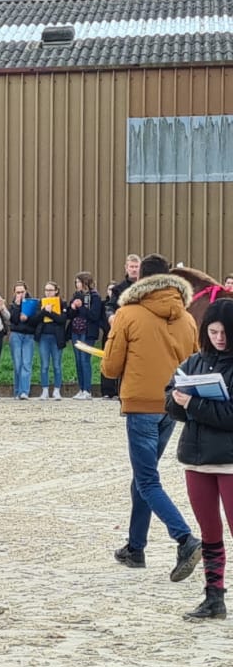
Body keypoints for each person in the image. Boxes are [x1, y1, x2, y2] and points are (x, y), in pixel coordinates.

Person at [103, 254, 203, 581]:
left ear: (139, 280)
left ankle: (184, 538)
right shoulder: (187, 319)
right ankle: (135, 547)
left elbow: (110, 368)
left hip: (141, 405)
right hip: (171, 406)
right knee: (143, 477)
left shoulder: (128, 314)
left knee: (147, 480)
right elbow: (195, 366)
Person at [166, 299, 233, 620]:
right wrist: (179, 401)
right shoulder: (193, 362)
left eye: (226, 332)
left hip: (230, 462)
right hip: (196, 460)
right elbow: (171, 400)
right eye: (214, 331)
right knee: (209, 533)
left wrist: (193, 405)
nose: (220, 338)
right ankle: (213, 598)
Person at [103, 255, 143, 400]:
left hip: (145, 331)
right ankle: (124, 397)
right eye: (131, 267)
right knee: (125, 365)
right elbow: (109, 306)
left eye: (136, 267)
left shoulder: (148, 286)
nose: (133, 269)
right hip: (126, 332)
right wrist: (110, 316)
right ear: (126, 268)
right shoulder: (118, 289)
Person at [69, 272, 106, 400]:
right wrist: (73, 308)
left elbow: (94, 316)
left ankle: (87, 390)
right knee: (78, 360)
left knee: (85, 360)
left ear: (85, 282)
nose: (77, 284)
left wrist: (81, 307)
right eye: (76, 282)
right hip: (76, 331)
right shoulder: (76, 296)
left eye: (78, 282)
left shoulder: (95, 297)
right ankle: (81, 388)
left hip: (87, 332)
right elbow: (70, 314)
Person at [32, 281, 69, 400]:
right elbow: (35, 319)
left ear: (56, 291)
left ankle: (57, 390)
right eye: (46, 290)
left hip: (57, 337)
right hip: (44, 337)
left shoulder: (62, 303)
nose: (48, 292)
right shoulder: (40, 303)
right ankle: (45, 390)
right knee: (44, 365)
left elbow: (62, 319)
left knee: (57, 365)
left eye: (50, 290)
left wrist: (50, 312)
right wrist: (43, 311)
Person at [6, 281, 38, 400]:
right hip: (16, 334)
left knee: (26, 363)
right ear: (14, 293)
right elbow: (13, 320)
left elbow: (36, 320)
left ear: (26, 291)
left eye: (22, 292)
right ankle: (17, 391)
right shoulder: (13, 305)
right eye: (18, 292)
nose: (20, 294)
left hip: (28, 335)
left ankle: (24, 391)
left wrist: (27, 318)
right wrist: (18, 306)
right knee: (17, 363)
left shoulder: (32, 303)